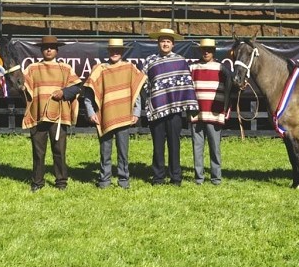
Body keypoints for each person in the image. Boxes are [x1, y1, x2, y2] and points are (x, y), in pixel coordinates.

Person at [83, 39, 147, 189]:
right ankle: (104, 180)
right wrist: (91, 112)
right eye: (112, 50)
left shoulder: (129, 68)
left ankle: (123, 180)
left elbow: (136, 92)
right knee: (105, 150)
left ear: (122, 52)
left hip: (124, 115)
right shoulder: (99, 69)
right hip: (104, 115)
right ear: (108, 51)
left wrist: (136, 112)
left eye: (118, 50)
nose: (115, 53)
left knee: (123, 151)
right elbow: (89, 94)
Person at [21, 35, 82, 192]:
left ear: (56, 50)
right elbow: (22, 85)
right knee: (38, 151)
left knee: (59, 150)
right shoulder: (32, 68)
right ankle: (37, 182)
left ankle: (61, 182)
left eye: (52, 47)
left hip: (59, 116)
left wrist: (64, 92)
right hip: (38, 115)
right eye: (46, 47)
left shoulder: (65, 68)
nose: (49, 49)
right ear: (41, 50)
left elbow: (76, 87)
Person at [143, 28, 199, 186]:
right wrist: (149, 99)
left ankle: (176, 177)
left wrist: (189, 108)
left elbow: (187, 85)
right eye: (162, 41)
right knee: (158, 146)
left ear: (173, 44)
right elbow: (143, 84)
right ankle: (158, 177)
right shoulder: (150, 61)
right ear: (158, 43)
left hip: (175, 111)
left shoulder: (180, 61)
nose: (165, 44)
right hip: (157, 110)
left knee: (175, 144)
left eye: (168, 41)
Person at [189, 38, 231, 185]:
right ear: (200, 50)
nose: (206, 52)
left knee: (215, 148)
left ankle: (216, 178)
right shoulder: (192, 68)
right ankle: (199, 178)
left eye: (209, 50)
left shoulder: (222, 68)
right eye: (204, 49)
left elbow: (230, 88)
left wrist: (225, 109)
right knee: (197, 147)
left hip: (214, 113)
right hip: (197, 113)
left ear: (214, 51)